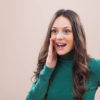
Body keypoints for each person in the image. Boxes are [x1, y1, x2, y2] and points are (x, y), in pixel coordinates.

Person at [26, 9, 100, 100]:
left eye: (66, 31)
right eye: (54, 31)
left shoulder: (94, 66)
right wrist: (48, 68)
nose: (59, 37)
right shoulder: (44, 65)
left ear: (77, 35)